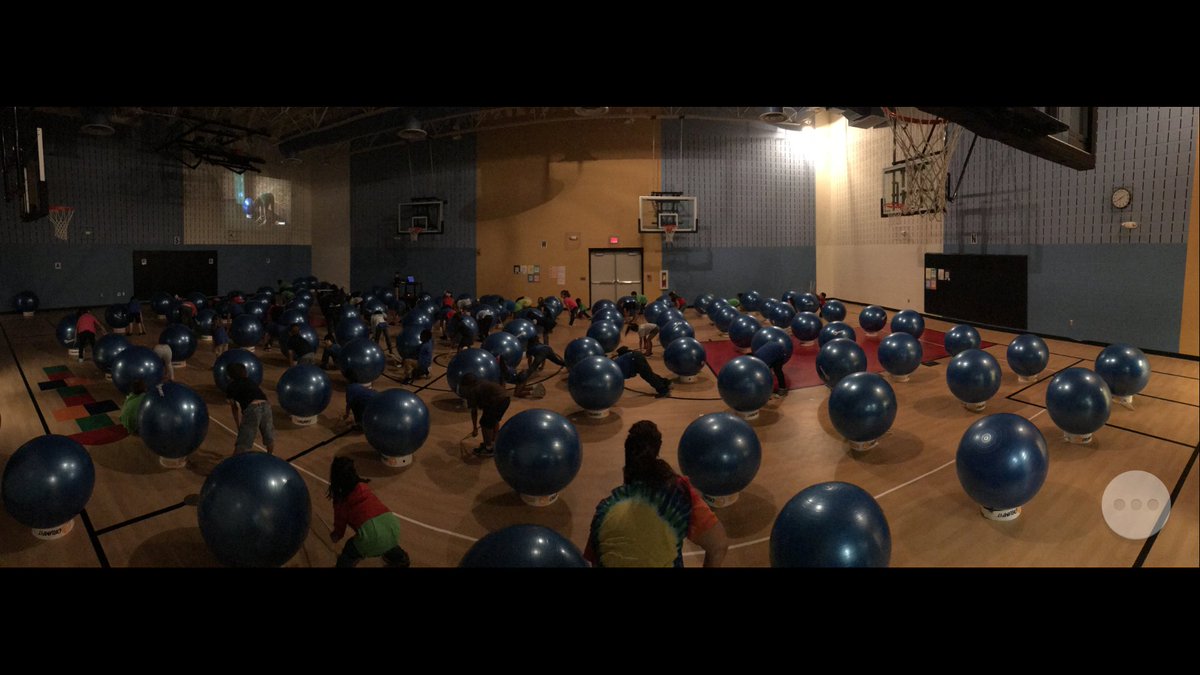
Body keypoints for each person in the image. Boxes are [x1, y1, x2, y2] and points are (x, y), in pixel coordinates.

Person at [584, 421, 728, 568]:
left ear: (626, 468)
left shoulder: (604, 510)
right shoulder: (677, 493)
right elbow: (718, 546)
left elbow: (593, 560)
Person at [328, 457, 410, 568]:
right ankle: (401, 559)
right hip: (392, 525)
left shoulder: (341, 500)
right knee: (387, 541)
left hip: (372, 535)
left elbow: (340, 524)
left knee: (349, 550)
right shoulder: (363, 487)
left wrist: (336, 535)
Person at [225, 362, 275, 455]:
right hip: (266, 405)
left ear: (229, 375)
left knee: (244, 441)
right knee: (269, 436)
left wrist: (238, 425)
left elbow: (234, 408)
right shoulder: (250, 381)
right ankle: (270, 456)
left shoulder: (231, 386)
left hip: (252, 408)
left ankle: (234, 464)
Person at [457, 372, 511, 458]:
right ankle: (493, 442)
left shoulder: (472, 390)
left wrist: (475, 428)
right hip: (505, 398)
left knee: (485, 424)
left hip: (497, 401)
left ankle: (488, 448)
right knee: (493, 420)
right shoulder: (481, 382)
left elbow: (474, 411)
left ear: (468, 385)